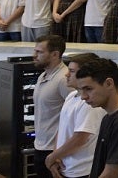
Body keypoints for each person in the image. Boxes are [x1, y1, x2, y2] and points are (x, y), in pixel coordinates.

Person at [47, 53, 105, 178]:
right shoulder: (70, 96)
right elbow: (61, 129)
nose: (67, 74)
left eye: (72, 71)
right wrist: (56, 156)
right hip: (65, 167)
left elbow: (80, 138)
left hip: (81, 171)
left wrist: (53, 156)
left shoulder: (89, 104)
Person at [33, 35, 72, 178]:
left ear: (55, 54)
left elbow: (74, 116)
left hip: (55, 151)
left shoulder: (64, 79)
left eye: (39, 52)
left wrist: (59, 153)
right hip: (41, 146)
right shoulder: (43, 75)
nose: (34, 55)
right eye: (35, 51)